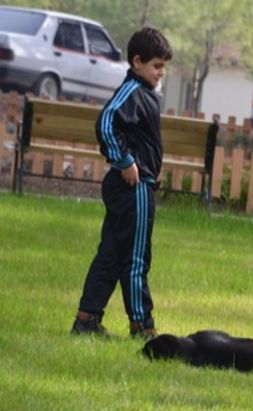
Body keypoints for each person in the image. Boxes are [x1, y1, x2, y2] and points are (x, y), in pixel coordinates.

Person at [70, 28, 172, 339]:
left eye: (164, 67)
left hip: (136, 184)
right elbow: (106, 122)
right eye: (156, 66)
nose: (160, 73)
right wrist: (125, 161)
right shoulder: (131, 91)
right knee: (137, 256)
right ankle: (142, 326)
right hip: (133, 188)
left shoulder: (143, 94)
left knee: (111, 254)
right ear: (137, 62)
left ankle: (86, 320)